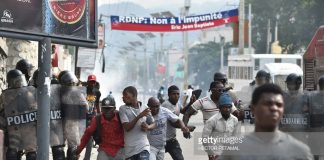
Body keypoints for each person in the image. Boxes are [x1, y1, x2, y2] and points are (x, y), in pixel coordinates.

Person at [221, 84, 313, 160]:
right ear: (253, 109)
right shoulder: (233, 150)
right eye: (268, 103)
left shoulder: (300, 151)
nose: (274, 108)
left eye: (279, 105)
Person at [1, 69, 37, 160]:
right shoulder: (29, 93)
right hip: (24, 129)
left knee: (15, 151)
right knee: (28, 152)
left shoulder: (6, 95)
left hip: (17, 129)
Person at [119, 86, 156, 160]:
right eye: (123, 96)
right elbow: (127, 127)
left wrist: (148, 127)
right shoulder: (123, 109)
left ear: (134, 95)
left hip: (143, 147)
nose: (123, 98)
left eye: (126, 96)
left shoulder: (144, 107)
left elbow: (154, 124)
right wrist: (140, 116)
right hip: (129, 150)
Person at [202, 93, 240, 160]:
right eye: (225, 107)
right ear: (219, 107)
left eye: (229, 107)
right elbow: (205, 139)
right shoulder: (212, 121)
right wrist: (210, 154)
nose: (227, 109)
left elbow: (235, 137)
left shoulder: (235, 120)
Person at [60, 72, 88, 160]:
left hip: (67, 122)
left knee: (65, 148)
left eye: (72, 83)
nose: (72, 85)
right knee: (64, 148)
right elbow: (85, 108)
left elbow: (85, 107)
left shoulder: (60, 92)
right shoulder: (77, 93)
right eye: (70, 84)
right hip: (67, 122)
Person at [161, 85, 191, 160]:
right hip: (161, 141)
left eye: (178, 94)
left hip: (171, 139)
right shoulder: (166, 105)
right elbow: (173, 123)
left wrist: (191, 102)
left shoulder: (177, 103)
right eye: (174, 94)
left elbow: (183, 111)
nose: (176, 96)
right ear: (169, 95)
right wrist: (185, 127)